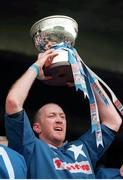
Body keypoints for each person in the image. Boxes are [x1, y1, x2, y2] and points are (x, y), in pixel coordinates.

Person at [4, 49, 122, 178]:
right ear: (37, 127)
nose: (59, 120)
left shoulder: (83, 147)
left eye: (62, 116)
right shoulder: (30, 147)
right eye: (51, 116)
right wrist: (37, 66)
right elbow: (13, 102)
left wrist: (86, 77)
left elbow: (113, 121)